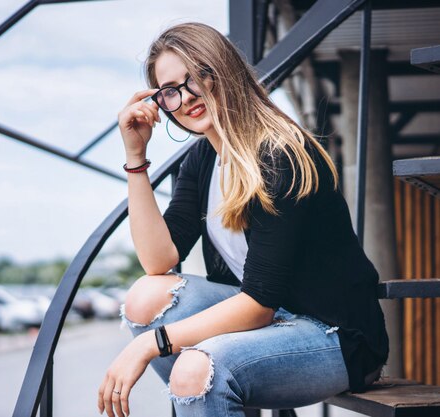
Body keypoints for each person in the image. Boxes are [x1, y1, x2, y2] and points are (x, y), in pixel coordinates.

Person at [97, 22, 389, 417]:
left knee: (195, 370)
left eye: (199, 75)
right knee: (144, 297)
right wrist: (136, 158)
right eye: (170, 91)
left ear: (225, 70)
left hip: (334, 335)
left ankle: (210, 394)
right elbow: (158, 261)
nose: (186, 97)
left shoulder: (278, 153)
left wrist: (149, 344)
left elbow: (259, 305)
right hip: (270, 321)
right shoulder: (202, 159)